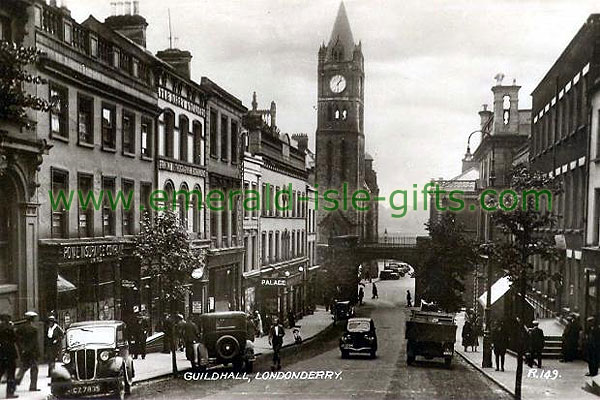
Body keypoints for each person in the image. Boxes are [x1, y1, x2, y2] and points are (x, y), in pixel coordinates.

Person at [15, 311, 40, 392]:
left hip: (24, 352)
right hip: (32, 353)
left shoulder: (20, 329)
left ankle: (15, 382)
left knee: (23, 368)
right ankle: (33, 387)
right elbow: (34, 343)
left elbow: (18, 340)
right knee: (34, 369)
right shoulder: (34, 329)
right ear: (32, 319)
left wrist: (23, 349)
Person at [0, 314, 18, 398]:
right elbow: (15, 338)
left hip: (1, 354)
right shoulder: (9, 328)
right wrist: (12, 329)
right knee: (11, 374)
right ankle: (10, 393)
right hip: (10, 354)